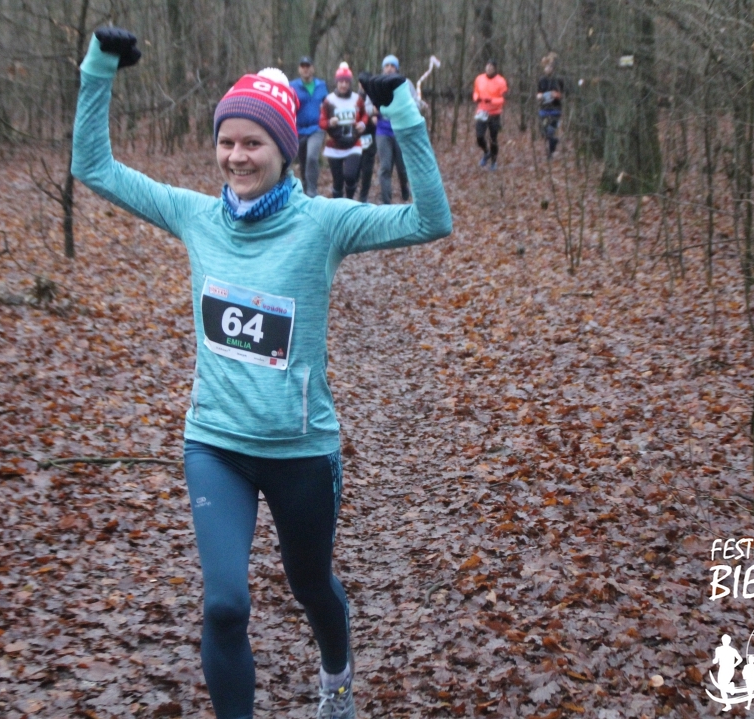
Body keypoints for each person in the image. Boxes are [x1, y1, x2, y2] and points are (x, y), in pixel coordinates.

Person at [72, 27, 452, 719]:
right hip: (214, 443)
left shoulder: (323, 224)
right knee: (224, 604)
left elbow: (432, 220)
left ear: (283, 149)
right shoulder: (195, 217)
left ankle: (336, 676)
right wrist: (99, 68)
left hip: (300, 450)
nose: (236, 156)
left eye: (252, 142)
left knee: (310, 586)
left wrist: (401, 111)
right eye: (227, 141)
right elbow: (93, 167)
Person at [375, 55, 423, 204]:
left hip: (402, 130)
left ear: (397, 68)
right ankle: (386, 202)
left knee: (402, 167)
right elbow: (368, 105)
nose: (389, 68)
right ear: (383, 69)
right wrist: (374, 111)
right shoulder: (377, 83)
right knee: (385, 167)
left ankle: (404, 186)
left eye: (392, 66)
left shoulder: (405, 83)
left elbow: (416, 104)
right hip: (383, 131)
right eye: (386, 66)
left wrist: (410, 108)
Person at [320, 63, 368, 199]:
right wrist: (330, 123)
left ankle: (350, 201)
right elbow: (321, 122)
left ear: (350, 83)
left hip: (354, 143)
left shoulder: (357, 99)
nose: (343, 85)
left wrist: (363, 124)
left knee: (350, 175)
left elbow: (365, 115)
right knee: (338, 181)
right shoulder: (329, 100)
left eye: (346, 82)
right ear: (337, 82)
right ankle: (338, 207)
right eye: (341, 81)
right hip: (334, 145)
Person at [292, 56, 329, 197]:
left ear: (313, 68)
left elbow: (328, 105)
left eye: (308, 66)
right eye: (303, 66)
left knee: (312, 157)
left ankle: (312, 190)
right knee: (303, 161)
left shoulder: (321, 86)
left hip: (317, 128)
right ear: (299, 69)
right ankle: (305, 189)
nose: (305, 69)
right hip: (299, 129)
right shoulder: (292, 87)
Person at [473, 59, 508, 170]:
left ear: (495, 69)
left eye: (491, 68)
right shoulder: (479, 79)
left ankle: (493, 161)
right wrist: (476, 98)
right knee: (479, 137)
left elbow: (503, 99)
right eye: (487, 67)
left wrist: (491, 100)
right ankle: (486, 152)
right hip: (482, 112)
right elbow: (475, 92)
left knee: (493, 139)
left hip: (494, 113)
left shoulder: (501, 81)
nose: (488, 69)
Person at [536, 55, 565, 158]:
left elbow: (565, 94)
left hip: (555, 109)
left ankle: (550, 153)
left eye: (549, 67)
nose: (547, 69)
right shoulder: (541, 80)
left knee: (551, 131)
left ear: (553, 68)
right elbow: (538, 92)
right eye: (546, 67)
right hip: (543, 109)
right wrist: (539, 96)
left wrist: (556, 95)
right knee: (544, 131)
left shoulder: (559, 80)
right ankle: (554, 141)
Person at [356, 86, 377, 203]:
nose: (362, 86)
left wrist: (374, 117)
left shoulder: (375, 96)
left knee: (367, 169)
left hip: (370, 136)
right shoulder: (354, 97)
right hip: (356, 137)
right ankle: (351, 191)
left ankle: (364, 195)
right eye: (360, 83)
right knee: (355, 168)